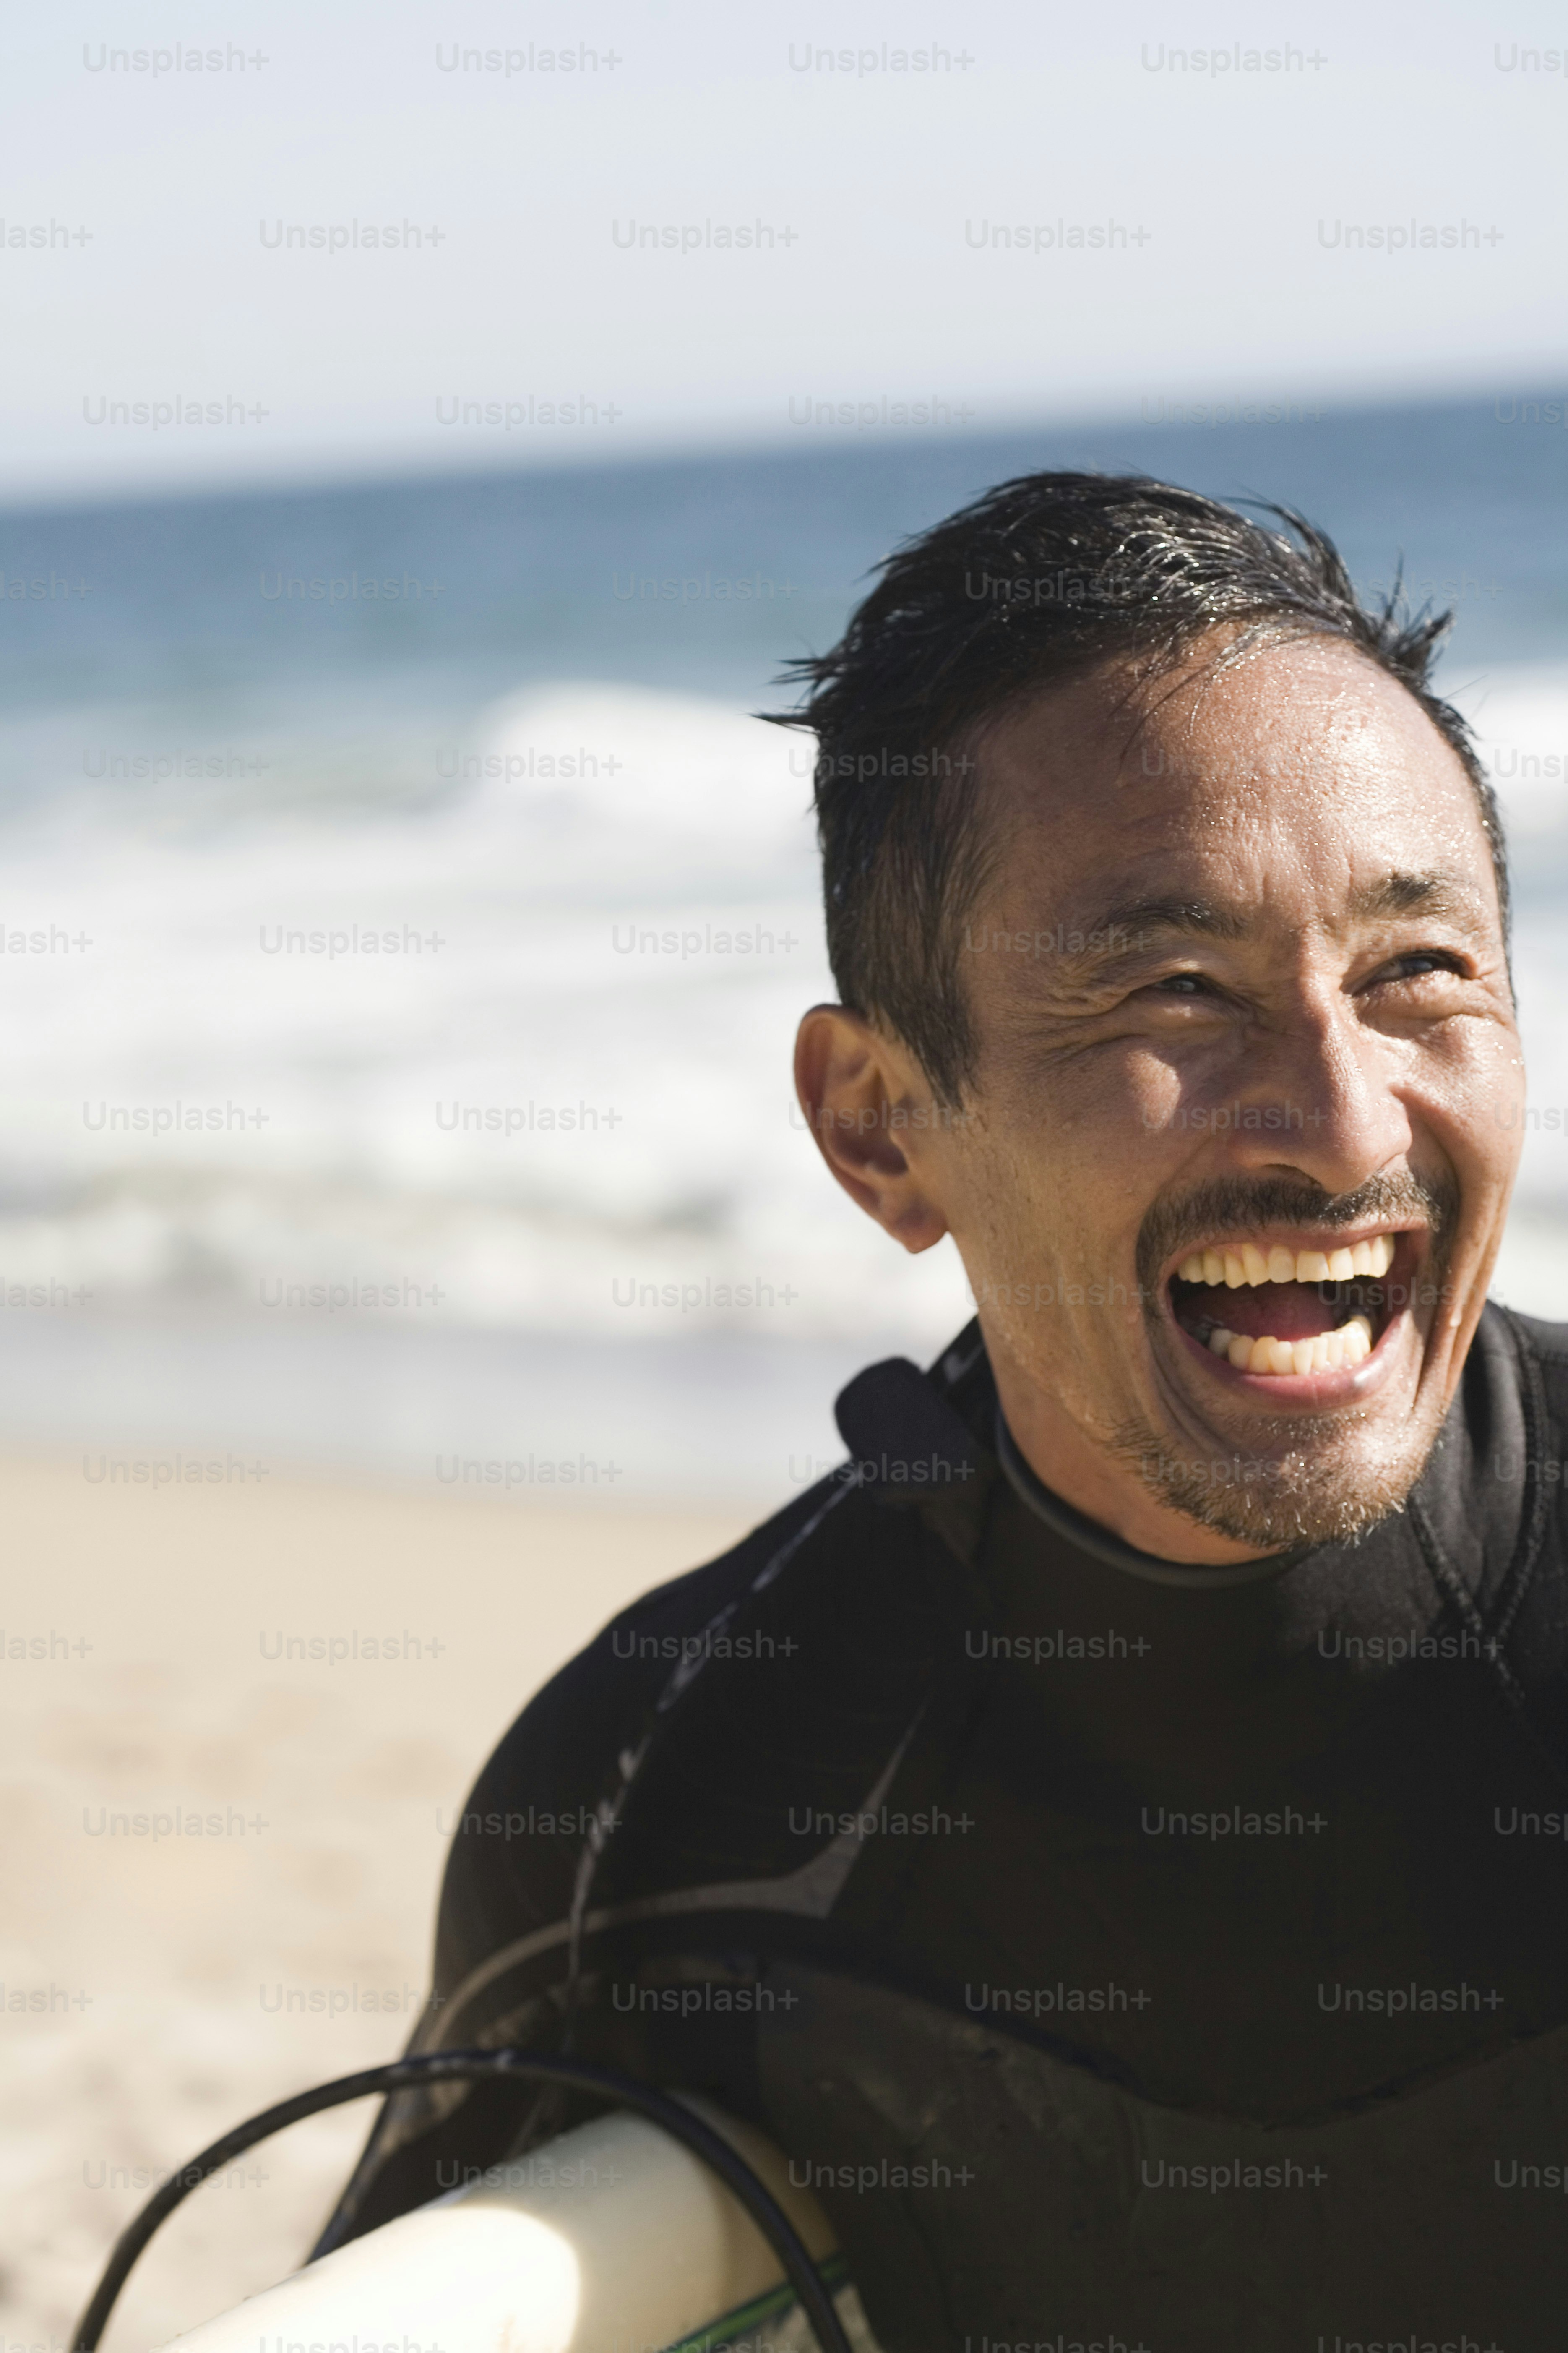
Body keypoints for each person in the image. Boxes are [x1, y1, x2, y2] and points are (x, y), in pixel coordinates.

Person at [315, 474, 1568, 2352]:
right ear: (878, 1127)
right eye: (1170, 991)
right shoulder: (666, 1797)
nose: (1339, 1121)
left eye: (1417, 975)